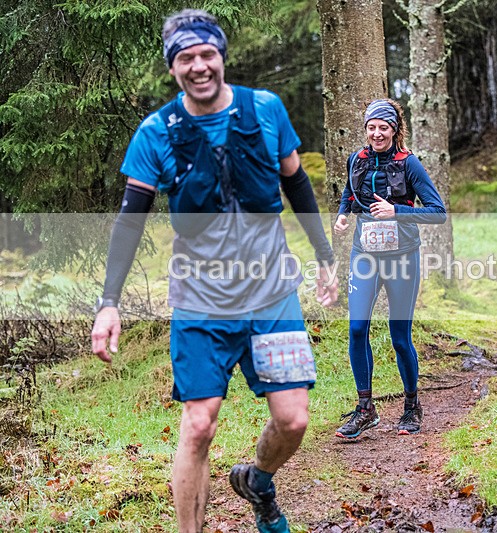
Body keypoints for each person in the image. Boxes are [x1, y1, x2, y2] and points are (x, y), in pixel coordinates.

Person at [90, 9, 337, 533]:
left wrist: (325, 256)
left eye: (207, 54)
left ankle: (258, 480)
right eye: (186, 58)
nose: (198, 66)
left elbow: (296, 183)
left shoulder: (265, 109)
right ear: (172, 67)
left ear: (222, 56)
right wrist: (109, 303)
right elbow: (130, 221)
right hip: (200, 303)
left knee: (293, 419)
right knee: (199, 425)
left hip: (272, 296)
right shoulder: (156, 133)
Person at [333, 99, 446, 438]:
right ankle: (365, 409)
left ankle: (411, 406)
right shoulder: (356, 159)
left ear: (395, 130)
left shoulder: (409, 163)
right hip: (364, 255)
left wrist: (397, 212)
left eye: (383, 127)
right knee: (357, 329)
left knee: (399, 337)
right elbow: (349, 194)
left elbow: (438, 212)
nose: (377, 133)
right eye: (371, 127)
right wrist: (343, 215)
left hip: (402, 257)